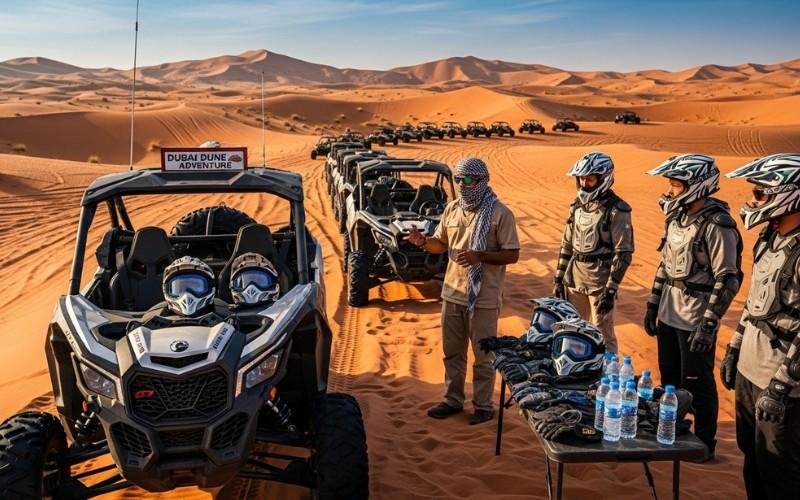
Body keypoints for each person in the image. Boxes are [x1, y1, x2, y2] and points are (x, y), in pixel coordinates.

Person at [405, 157, 520, 425]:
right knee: (452, 353)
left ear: (481, 181)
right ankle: (452, 400)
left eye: (467, 180)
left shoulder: (500, 213)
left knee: (483, 356)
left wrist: (481, 256)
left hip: (484, 297)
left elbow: (512, 254)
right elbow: (440, 243)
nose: (462, 185)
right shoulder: (452, 209)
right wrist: (423, 242)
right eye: (458, 180)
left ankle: (483, 405)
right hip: (452, 293)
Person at [645, 153, 743, 460]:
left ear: (697, 185)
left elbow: (727, 278)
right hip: (669, 314)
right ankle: (673, 434)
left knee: (698, 385)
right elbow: (665, 265)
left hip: (695, 318)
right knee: (670, 381)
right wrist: (652, 305)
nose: (670, 190)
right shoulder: (676, 217)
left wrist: (708, 325)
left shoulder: (718, 224)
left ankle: (703, 443)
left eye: (676, 185)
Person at [723, 153, 800, 499]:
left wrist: (780, 387)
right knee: (752, 463)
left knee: (779, 473)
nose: (752, 201)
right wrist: (734, 348)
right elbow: (755, 300)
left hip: (780, 385)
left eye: (760, 194)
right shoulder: (769, 236)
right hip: (749, 373)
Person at [553, 152, 634, 353]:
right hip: (574, 280)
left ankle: (608, 370)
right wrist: (559, 279)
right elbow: (567, 245)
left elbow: (623, 253)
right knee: (573, 329)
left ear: (603, 178)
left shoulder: (617, 209)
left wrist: (611, 290)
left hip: (600, 283)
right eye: (581, 179)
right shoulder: (576, 206)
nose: (584, 183)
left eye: (589, 179)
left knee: (602, 333)